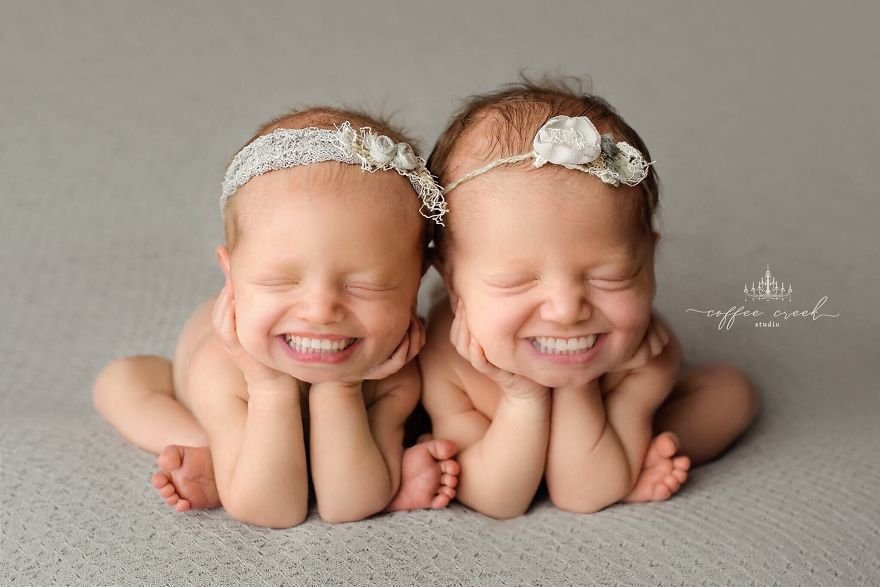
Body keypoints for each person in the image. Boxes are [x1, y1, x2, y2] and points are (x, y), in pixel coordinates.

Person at [93, 107, 459, 527]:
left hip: (337, 375)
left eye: (365, 286)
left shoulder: (395, 372)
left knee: (348, 462)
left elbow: (347, 504)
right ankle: (211, 448)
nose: (321, 311)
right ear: (232, 276)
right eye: (280, 281)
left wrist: (342, 386)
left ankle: (241, 464)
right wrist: (268, 386)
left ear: (417, 282)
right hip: (204, 387)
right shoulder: (223, 371)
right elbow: (273, 510)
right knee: (122, 381)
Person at [420, 80, 759, 519]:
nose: (567, 311)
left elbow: (581, 495)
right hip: (496, 459)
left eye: (609, 277)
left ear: (649, 260)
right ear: (449, 279)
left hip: (597, 445)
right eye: (516, 282)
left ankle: (631, 456)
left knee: (733, 393)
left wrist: (583, 383)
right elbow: (496, 500)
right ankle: (628, 464)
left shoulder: (644, 351)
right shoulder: (448, 357)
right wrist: (523, 397)